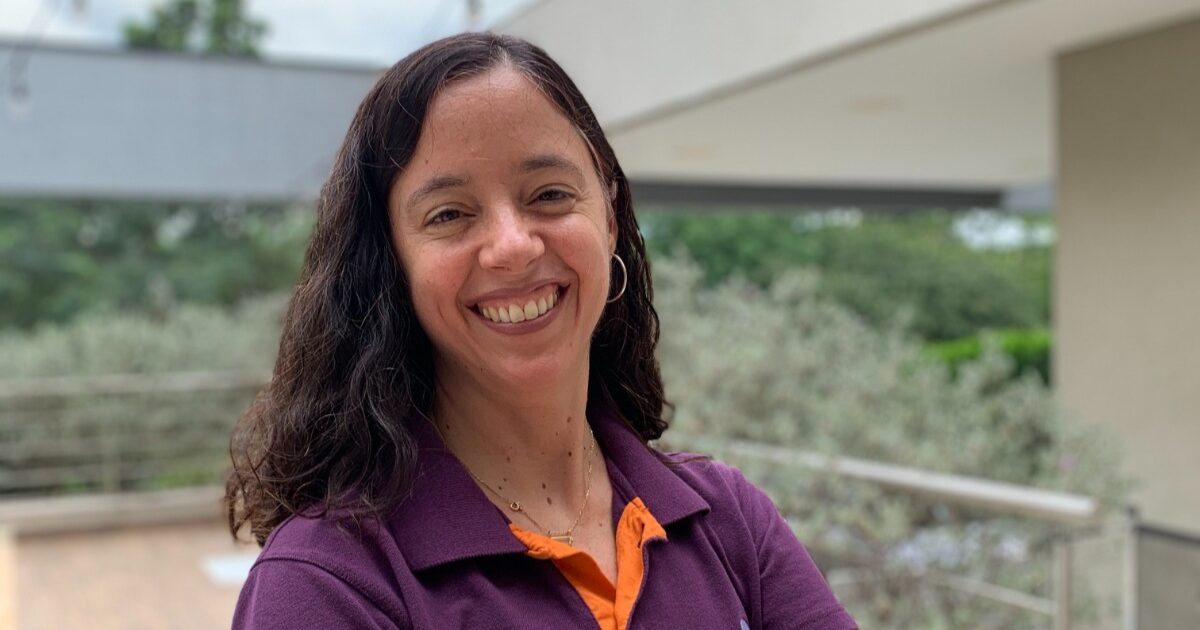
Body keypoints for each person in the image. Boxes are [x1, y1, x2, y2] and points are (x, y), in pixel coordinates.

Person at [226, 32, 857, 630]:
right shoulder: (327, 583)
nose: (512, 245)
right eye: (449, 214)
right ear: (391, 264)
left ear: (609, 218)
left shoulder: (729, 521)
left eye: (549, 194)